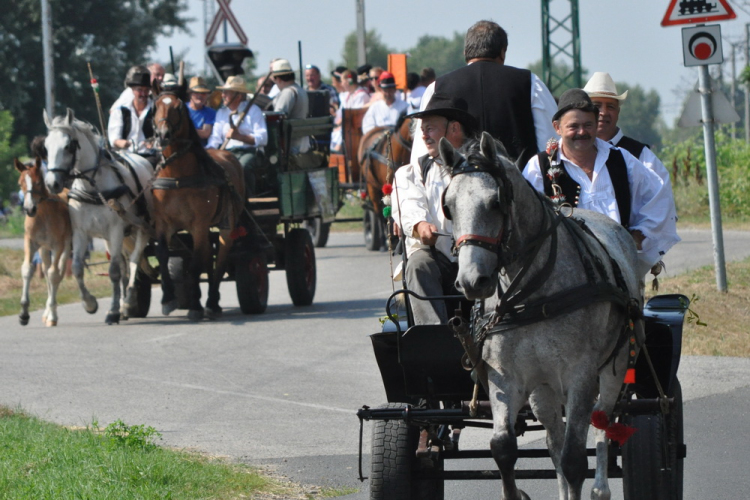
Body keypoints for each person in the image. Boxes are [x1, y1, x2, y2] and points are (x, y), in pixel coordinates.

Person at [522, 89, 680, 278]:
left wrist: (638, 236)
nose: (582, 132)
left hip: (620, 269)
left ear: (596, 124)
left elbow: (659, 197)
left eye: (588, 125)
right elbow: (526, 218)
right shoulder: (539, 167)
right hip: (564, 274)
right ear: (557, 127)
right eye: (574, 126)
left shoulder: (621, 159)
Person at [411, 20, 557, 167]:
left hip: (457, 184)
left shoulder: (437, 87)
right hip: (517, 184)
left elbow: (422, 150)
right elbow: (550, 142)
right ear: (502, 51)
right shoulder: (530, 82)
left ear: (466, 52)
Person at [391, 94, 478, 325]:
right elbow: (408, 202)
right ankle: (435, 338)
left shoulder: (481, 167)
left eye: (430, 128)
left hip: (480, 256)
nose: (423, 135)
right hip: (438, 259)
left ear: (455, 128)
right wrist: (420, 225)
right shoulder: (415, 170)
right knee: (418, 265)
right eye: (422, 129)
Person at [207, 75, 268, 196]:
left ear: (238, 96)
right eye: (223, 92)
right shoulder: (221, 112)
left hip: (249, 152)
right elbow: (215, 138)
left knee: (242, 167)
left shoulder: (253, 111)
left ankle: (246, 202)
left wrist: (239, 137)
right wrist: (207, 152)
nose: (223, 95)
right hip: (227, 153)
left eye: (227, 92)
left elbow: (263, 139)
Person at [107, 66, 157, 163]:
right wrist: (119, 142)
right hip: (125, 156)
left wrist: (154, 142)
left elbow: (162, 136)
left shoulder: (155, 110)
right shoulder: (121, 110)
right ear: (132, 90)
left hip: (149, 156)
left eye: (146, 90)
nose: (143, 94)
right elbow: (114, 138)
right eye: (140, 90)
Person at [271, 59, 310, 155]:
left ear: (278, 79)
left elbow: (276, 119)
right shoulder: (300, 90)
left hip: (291, 145)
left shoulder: (287, 93)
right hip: (302, 142)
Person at [185, 76, 216, 147]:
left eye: (203, 93)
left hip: (201, 150)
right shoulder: (181, 109)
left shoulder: (210, 112)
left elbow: (205, 133)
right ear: (190, 94)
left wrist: (185, 129)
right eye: (196, 92)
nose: (200, 96)